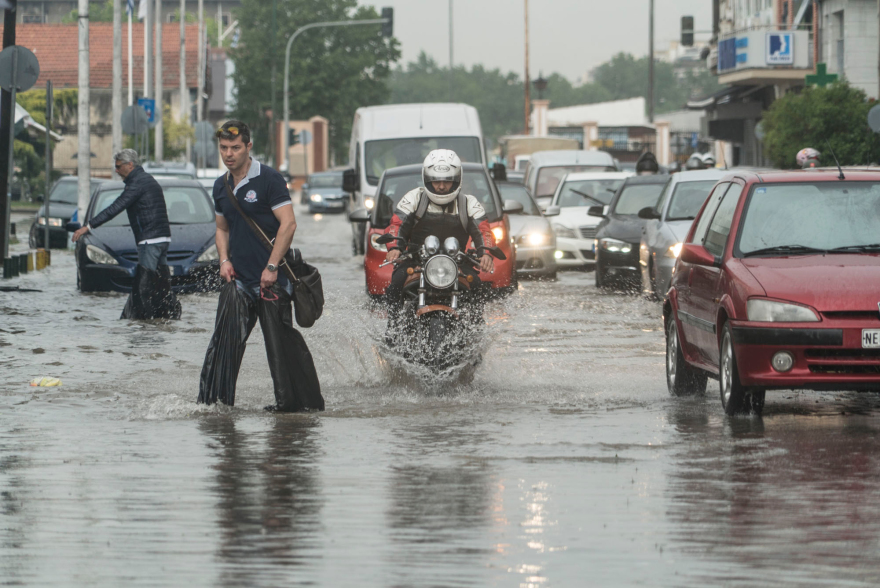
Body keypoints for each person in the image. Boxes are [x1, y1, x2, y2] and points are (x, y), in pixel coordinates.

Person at [197, 120, 323, 413]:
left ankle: (295, 406)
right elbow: (221, 229)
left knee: (281, 348)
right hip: (238, 281)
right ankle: (215, 406)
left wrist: (272, 266)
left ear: (248, 147)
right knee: (223, 344)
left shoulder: (269, 179)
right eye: (224, 148)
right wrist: (224, 260)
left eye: (235, 148)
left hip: (271, 281)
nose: (229, 154)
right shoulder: (220, 186)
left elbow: (288, 224)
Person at [382, 149, 496, 339]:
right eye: (436, 180)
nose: (441, 186)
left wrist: (485, 252)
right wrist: (394, 247)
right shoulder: (414, 198)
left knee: (476, 285)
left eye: (447, 180)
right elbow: (397, 224)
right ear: (427, 179)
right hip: (416, 259)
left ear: (457, 179)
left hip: (457, 262)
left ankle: (476, 334)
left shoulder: (469, 203)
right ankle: (392, 331)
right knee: (396, 283)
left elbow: (483, 230)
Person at [72, 149, 180, 319]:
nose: (116, 170)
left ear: (130, 165)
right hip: (163, 238)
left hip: (149, 240)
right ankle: (166, 317)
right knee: (161, 282)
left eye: (118, 166)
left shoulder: (137, 183)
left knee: (144, 284)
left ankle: (143, 321)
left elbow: (115, 207)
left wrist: (88, 226)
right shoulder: (147, 179)